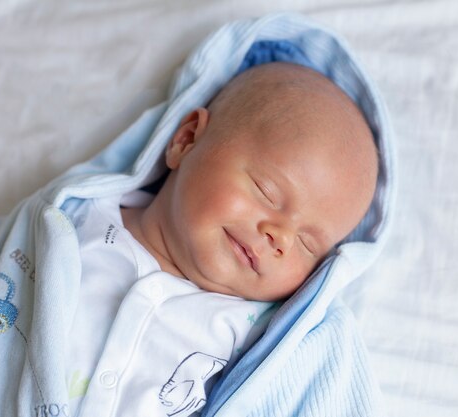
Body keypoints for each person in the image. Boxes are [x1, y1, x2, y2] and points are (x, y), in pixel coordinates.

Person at [64, 61, 378, 416]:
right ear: (186, 141)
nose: (281, 239)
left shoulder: (262, 336)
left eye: (307, 244)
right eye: (267, 192)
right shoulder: (70, 225)